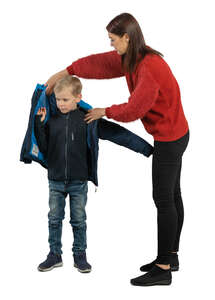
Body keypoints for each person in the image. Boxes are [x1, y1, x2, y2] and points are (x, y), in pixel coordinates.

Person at [44, 13, 189, 286]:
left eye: (113, 40)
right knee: (173, 195)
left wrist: (104, 111)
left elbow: (134, 108)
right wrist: (68, 70)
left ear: (127, 38)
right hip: (173, 134)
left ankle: (163, 268)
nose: (111, 45)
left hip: (170, 139)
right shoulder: (132, 57)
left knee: (164, 200)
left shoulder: (150, 67)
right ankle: (171, 256)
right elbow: (99, 64)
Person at [34, 74, 154, 273]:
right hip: (55, 180)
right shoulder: (51, 120)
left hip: (79, 181)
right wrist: (40, 124)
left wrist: (146, 149)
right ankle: (54, 254)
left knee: (78, 220)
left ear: (78, 97)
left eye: (65, 99)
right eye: (57, 99)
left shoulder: (88, 119)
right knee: (54, 218)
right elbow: (44, 148)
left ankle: (80, 255)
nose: (60, 103)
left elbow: (118, 134)